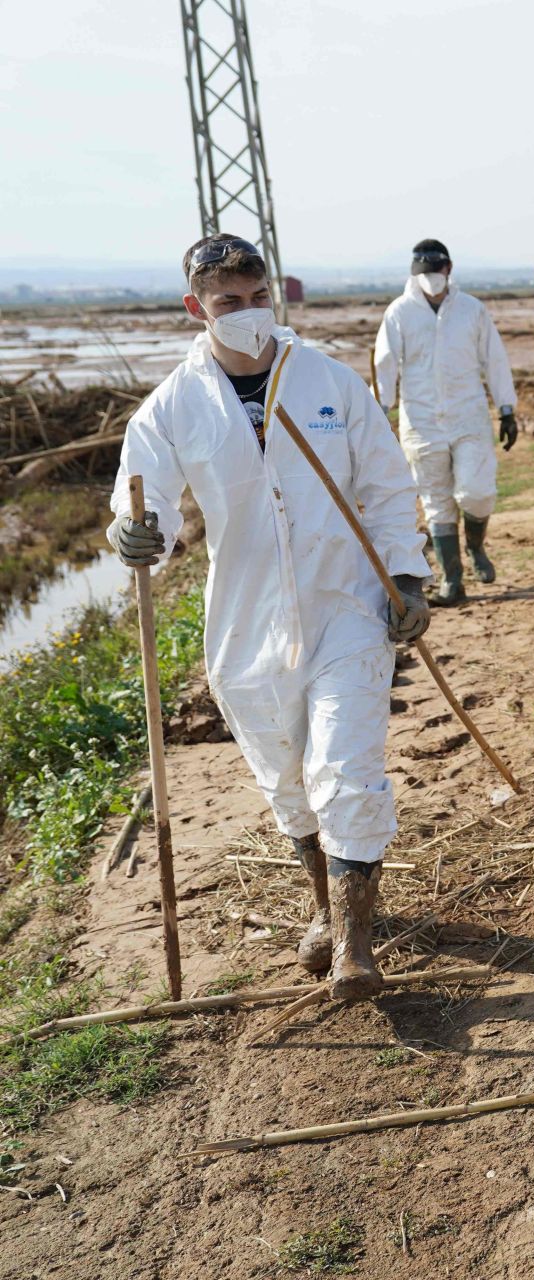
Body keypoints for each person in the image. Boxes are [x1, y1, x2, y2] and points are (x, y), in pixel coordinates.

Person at [106, 234, 431, 1001]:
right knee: (287, 778)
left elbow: (385, 484)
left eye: (259, 300)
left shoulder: (327, 382)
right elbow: (138, 497)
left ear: (273, 298)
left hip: (347, 603)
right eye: (229, 304)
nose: (248, 316)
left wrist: (407, 576)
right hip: (246, 623)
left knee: (346, 771)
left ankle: (355, 945)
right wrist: (134, 531)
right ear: (197, 309)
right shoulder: (174, 407)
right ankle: (324, 903)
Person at [373, 238, 518, 605]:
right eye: (423, 274)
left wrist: (506, 408)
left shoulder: (471, 310)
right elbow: (385, 365)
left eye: (435, 272)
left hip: (468, 416)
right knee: (436, 500)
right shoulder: (400, 313)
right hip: (421, 421)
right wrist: (381, 411)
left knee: (477, 492)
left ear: (448, 269)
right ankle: (453, 581)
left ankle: (476, 547)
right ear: (414, 274)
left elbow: (494, 360)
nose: (431, 279)